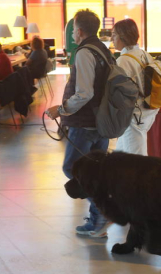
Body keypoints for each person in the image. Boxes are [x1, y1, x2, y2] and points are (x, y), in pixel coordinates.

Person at [45, 9, 113, 238]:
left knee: (73, 169)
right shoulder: (103, 49)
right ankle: (99, 220)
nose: (72, 33)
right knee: (97, 172)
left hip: (84, 125)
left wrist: (61, 109)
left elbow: (84, 93)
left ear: (80, 31)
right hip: (101, 121)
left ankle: (102, 213)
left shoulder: (84, 53)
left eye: (73, 29)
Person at [111, 18, 159, 156]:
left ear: (123, 36)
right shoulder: (144, 54)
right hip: (148, 110)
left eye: (114, 35)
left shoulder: (123, 60)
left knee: (136, 161)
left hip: (134, 116)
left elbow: (116, 91)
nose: (112, 39)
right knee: (122, 155)